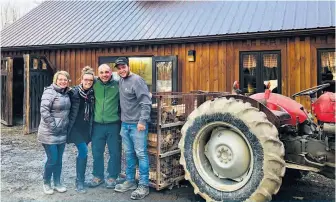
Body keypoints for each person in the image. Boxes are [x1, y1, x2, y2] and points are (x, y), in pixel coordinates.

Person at [114, 57, 152, 200]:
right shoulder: (121, 80)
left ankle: (143, 185)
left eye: (123, 67)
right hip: (125, 124)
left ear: (128, 67)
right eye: (119, 68)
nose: (121, 70)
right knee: (129, 153)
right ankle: (130, 180)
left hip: (137, 125)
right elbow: (102, 76)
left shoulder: (137, 80)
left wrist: (142, 121)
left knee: (141, 154)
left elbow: (146, 102)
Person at [86, 63, 121, 189]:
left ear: (111, 72)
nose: (104, 75)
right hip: (97, 125)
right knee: (97, 152)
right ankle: (98, 176)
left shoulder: (118, 84)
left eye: (107, 72)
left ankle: (112, 176)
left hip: (114, 125)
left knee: (115, 152)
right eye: (101, 72)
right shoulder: (94, 84)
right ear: (98, 74)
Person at [37, 71, 71, 195]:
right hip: (49, 133)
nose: (63, 81)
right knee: (52, 159)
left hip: (62, 132)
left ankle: (57, 182)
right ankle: (46, 182)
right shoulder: (49, 92)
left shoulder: (67, 93)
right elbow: (44, 111)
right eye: (60, 79)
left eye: (65, 79)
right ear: (55, 80)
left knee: (59, 159)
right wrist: (54, 126)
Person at [67, 66, 95, 193]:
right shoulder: (73, 92)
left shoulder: (93, 93)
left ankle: (80, 179)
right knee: (83, 151)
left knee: (82, 153)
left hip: (87, 129)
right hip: (75, 128)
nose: (88, 82)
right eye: (86, 79)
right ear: (81, 79)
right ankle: (79, 182)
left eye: (91, 80)